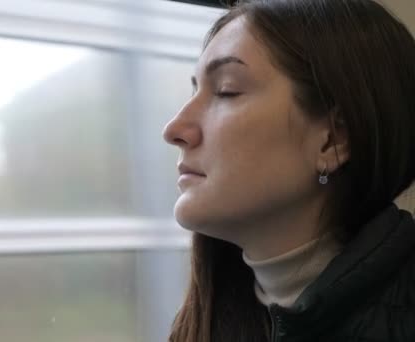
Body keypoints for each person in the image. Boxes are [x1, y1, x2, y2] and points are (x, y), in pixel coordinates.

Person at [162, 0, 415, 341]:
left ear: (332, 141)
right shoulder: (212, 318)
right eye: (194, 91)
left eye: (226, 91)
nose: (175, 129)